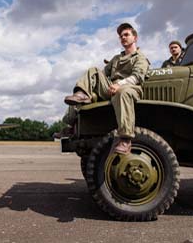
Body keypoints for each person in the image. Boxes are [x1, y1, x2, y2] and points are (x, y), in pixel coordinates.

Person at [64, 23, 150, 155]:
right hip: (111, 88)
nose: (123, 38)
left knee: (123, 93)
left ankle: (125, 139)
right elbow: (102, 75)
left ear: (135, 37)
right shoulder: (117, 58)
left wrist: (119, 84)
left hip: (129, 87)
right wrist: (97, 86)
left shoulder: (140, 58)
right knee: (93, 71)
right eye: (121, 36)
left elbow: (137, 77)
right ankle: (72, 118)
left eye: (126, 35)